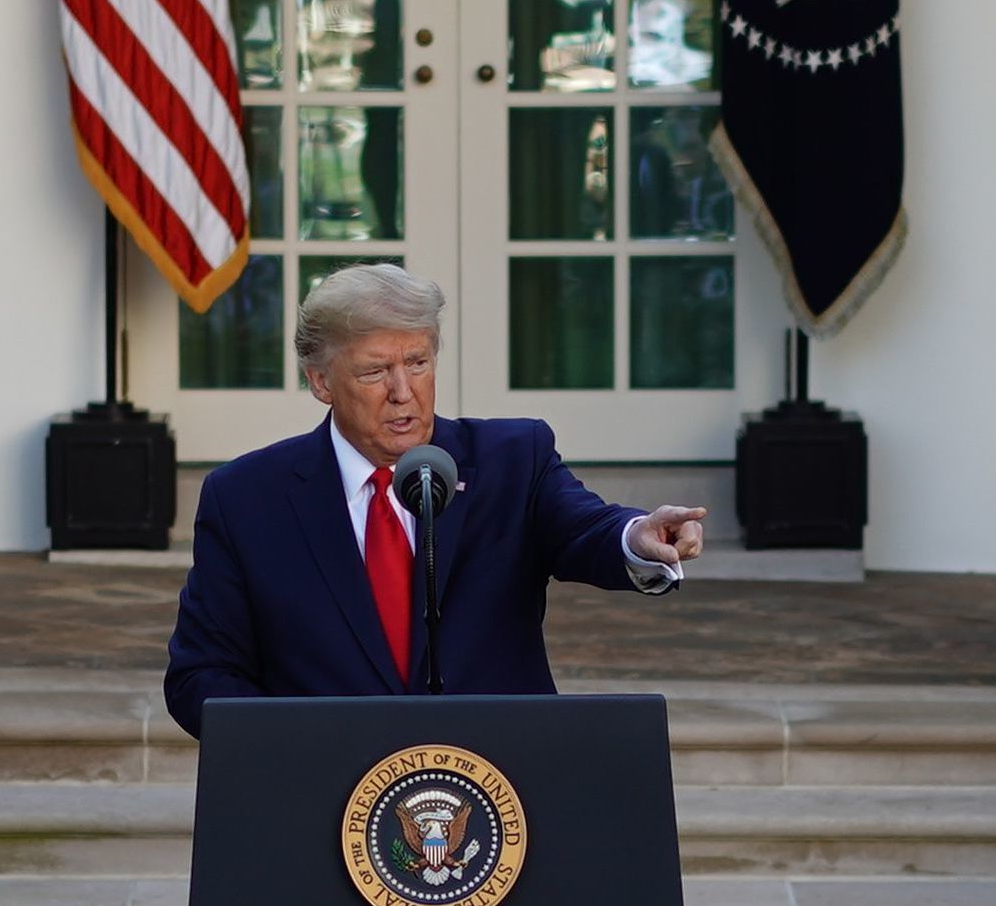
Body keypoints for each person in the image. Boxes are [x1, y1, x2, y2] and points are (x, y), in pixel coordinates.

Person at [159, 266, 702, 733]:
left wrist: (637, 536)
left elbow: (585, 528)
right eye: (375, 371)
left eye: (418, 363)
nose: (403, 391)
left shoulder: (512, 459)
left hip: (497, 791)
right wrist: (300, 746)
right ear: (321, 382)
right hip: (327, 804)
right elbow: (200, 674)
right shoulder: (248, 498)